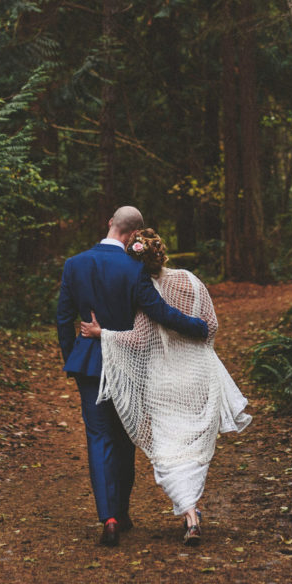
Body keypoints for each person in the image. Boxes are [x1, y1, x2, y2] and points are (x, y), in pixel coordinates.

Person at [78, 228, 251, 546]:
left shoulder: (144, 293)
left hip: (164, 381)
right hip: (198, 375)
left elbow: (140, 341)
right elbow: (210, 326)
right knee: (194, 448)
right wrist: (193, 345)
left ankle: (190, 512)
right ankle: (192, 516)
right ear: (162, 251)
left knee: (169, 452)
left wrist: (102, 334)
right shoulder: (191, 281)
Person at [56, 206, 212, 547]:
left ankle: (108, 517)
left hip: (88, 363)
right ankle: (123, 512)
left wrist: (72, 359)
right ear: (133, 236)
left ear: (110, 223)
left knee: (98, 438)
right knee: (124, 435)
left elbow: (63, 317)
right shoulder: (134, 268)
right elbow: (159, 312)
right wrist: (197, 327)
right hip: (128, 361)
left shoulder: (75, 264)